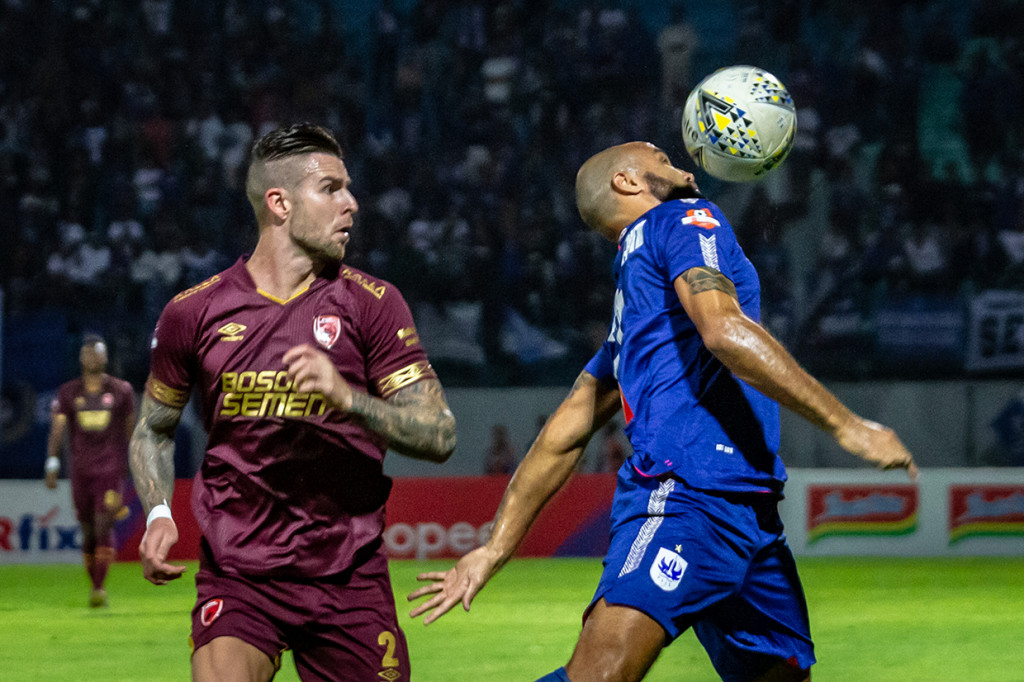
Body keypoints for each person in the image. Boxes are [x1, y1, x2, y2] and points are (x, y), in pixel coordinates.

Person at [408, 141, 918, 682]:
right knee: (600, 675)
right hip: (690, 495)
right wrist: (847, 424)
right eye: (654, 153)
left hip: (748, 514)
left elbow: (567, 428)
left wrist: (494, 548)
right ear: (628, 181)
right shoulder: (685, 218)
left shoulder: (637, 309)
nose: (672, 155)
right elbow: (724, 328)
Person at [129, 123, 456, 682]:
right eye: (330, 189)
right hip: (239, 575)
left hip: (348, 579)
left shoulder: (372, 304)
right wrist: (159, 511)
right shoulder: (194, 313)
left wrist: (348, 399)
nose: (351, 204)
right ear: (279, 203)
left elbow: (439, 433)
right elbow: (152, 430)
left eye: (348, 188)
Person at [45, 333, 136, 608]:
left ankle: (98, 588)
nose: (93, 357)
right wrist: (52, 462)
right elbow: (58, 429)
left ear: (106, 357)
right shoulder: (69, 392)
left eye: (98, 352)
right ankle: (94, 583)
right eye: (88, 353)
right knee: (87, 533)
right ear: (81, 358)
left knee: (102, 525)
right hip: (81, 473)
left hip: (110, 471)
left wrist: (138, 466)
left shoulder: (122, 391)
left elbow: (131, 431)